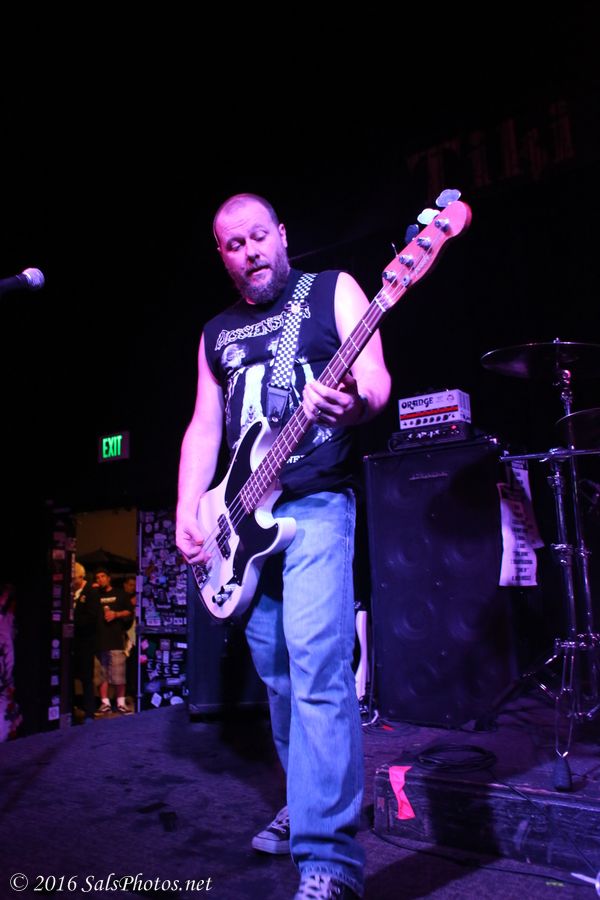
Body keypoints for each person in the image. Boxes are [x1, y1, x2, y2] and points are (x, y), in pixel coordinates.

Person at [176, 193, 391, 900]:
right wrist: (188, 508)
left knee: (317, 661)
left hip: (318, 500)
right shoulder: (216, 333)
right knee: (276, 675)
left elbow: (375, 383)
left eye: (259, 236)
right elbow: (205, 427)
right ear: (222, 256)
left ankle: (329, 862)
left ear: (282, 234)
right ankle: (304, 801)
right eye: (234, 244)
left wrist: (353, 404)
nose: (251, 252)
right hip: (242, 520)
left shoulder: (332, 291)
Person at [93, 566, 134, 716]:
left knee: (119, 674)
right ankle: (105, 704)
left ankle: (121, 704)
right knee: (101, 674)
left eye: (103, 576)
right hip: (99, 640)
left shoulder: (120, 594)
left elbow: (129, 611)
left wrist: (115, 614)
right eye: (97, 577)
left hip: (116, 639)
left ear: (108, 578)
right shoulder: (94, 595)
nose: (100, 579)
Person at [72, 562, 98, 722]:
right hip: (73, 642)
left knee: (86, 678)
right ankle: (71, 709)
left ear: (81, 577)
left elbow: (92, 617)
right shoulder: (71, 593)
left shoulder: (91, 592)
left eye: (73, 578)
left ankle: (89, 713)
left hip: (86, 642)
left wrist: (72, 621)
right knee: (70, 676)